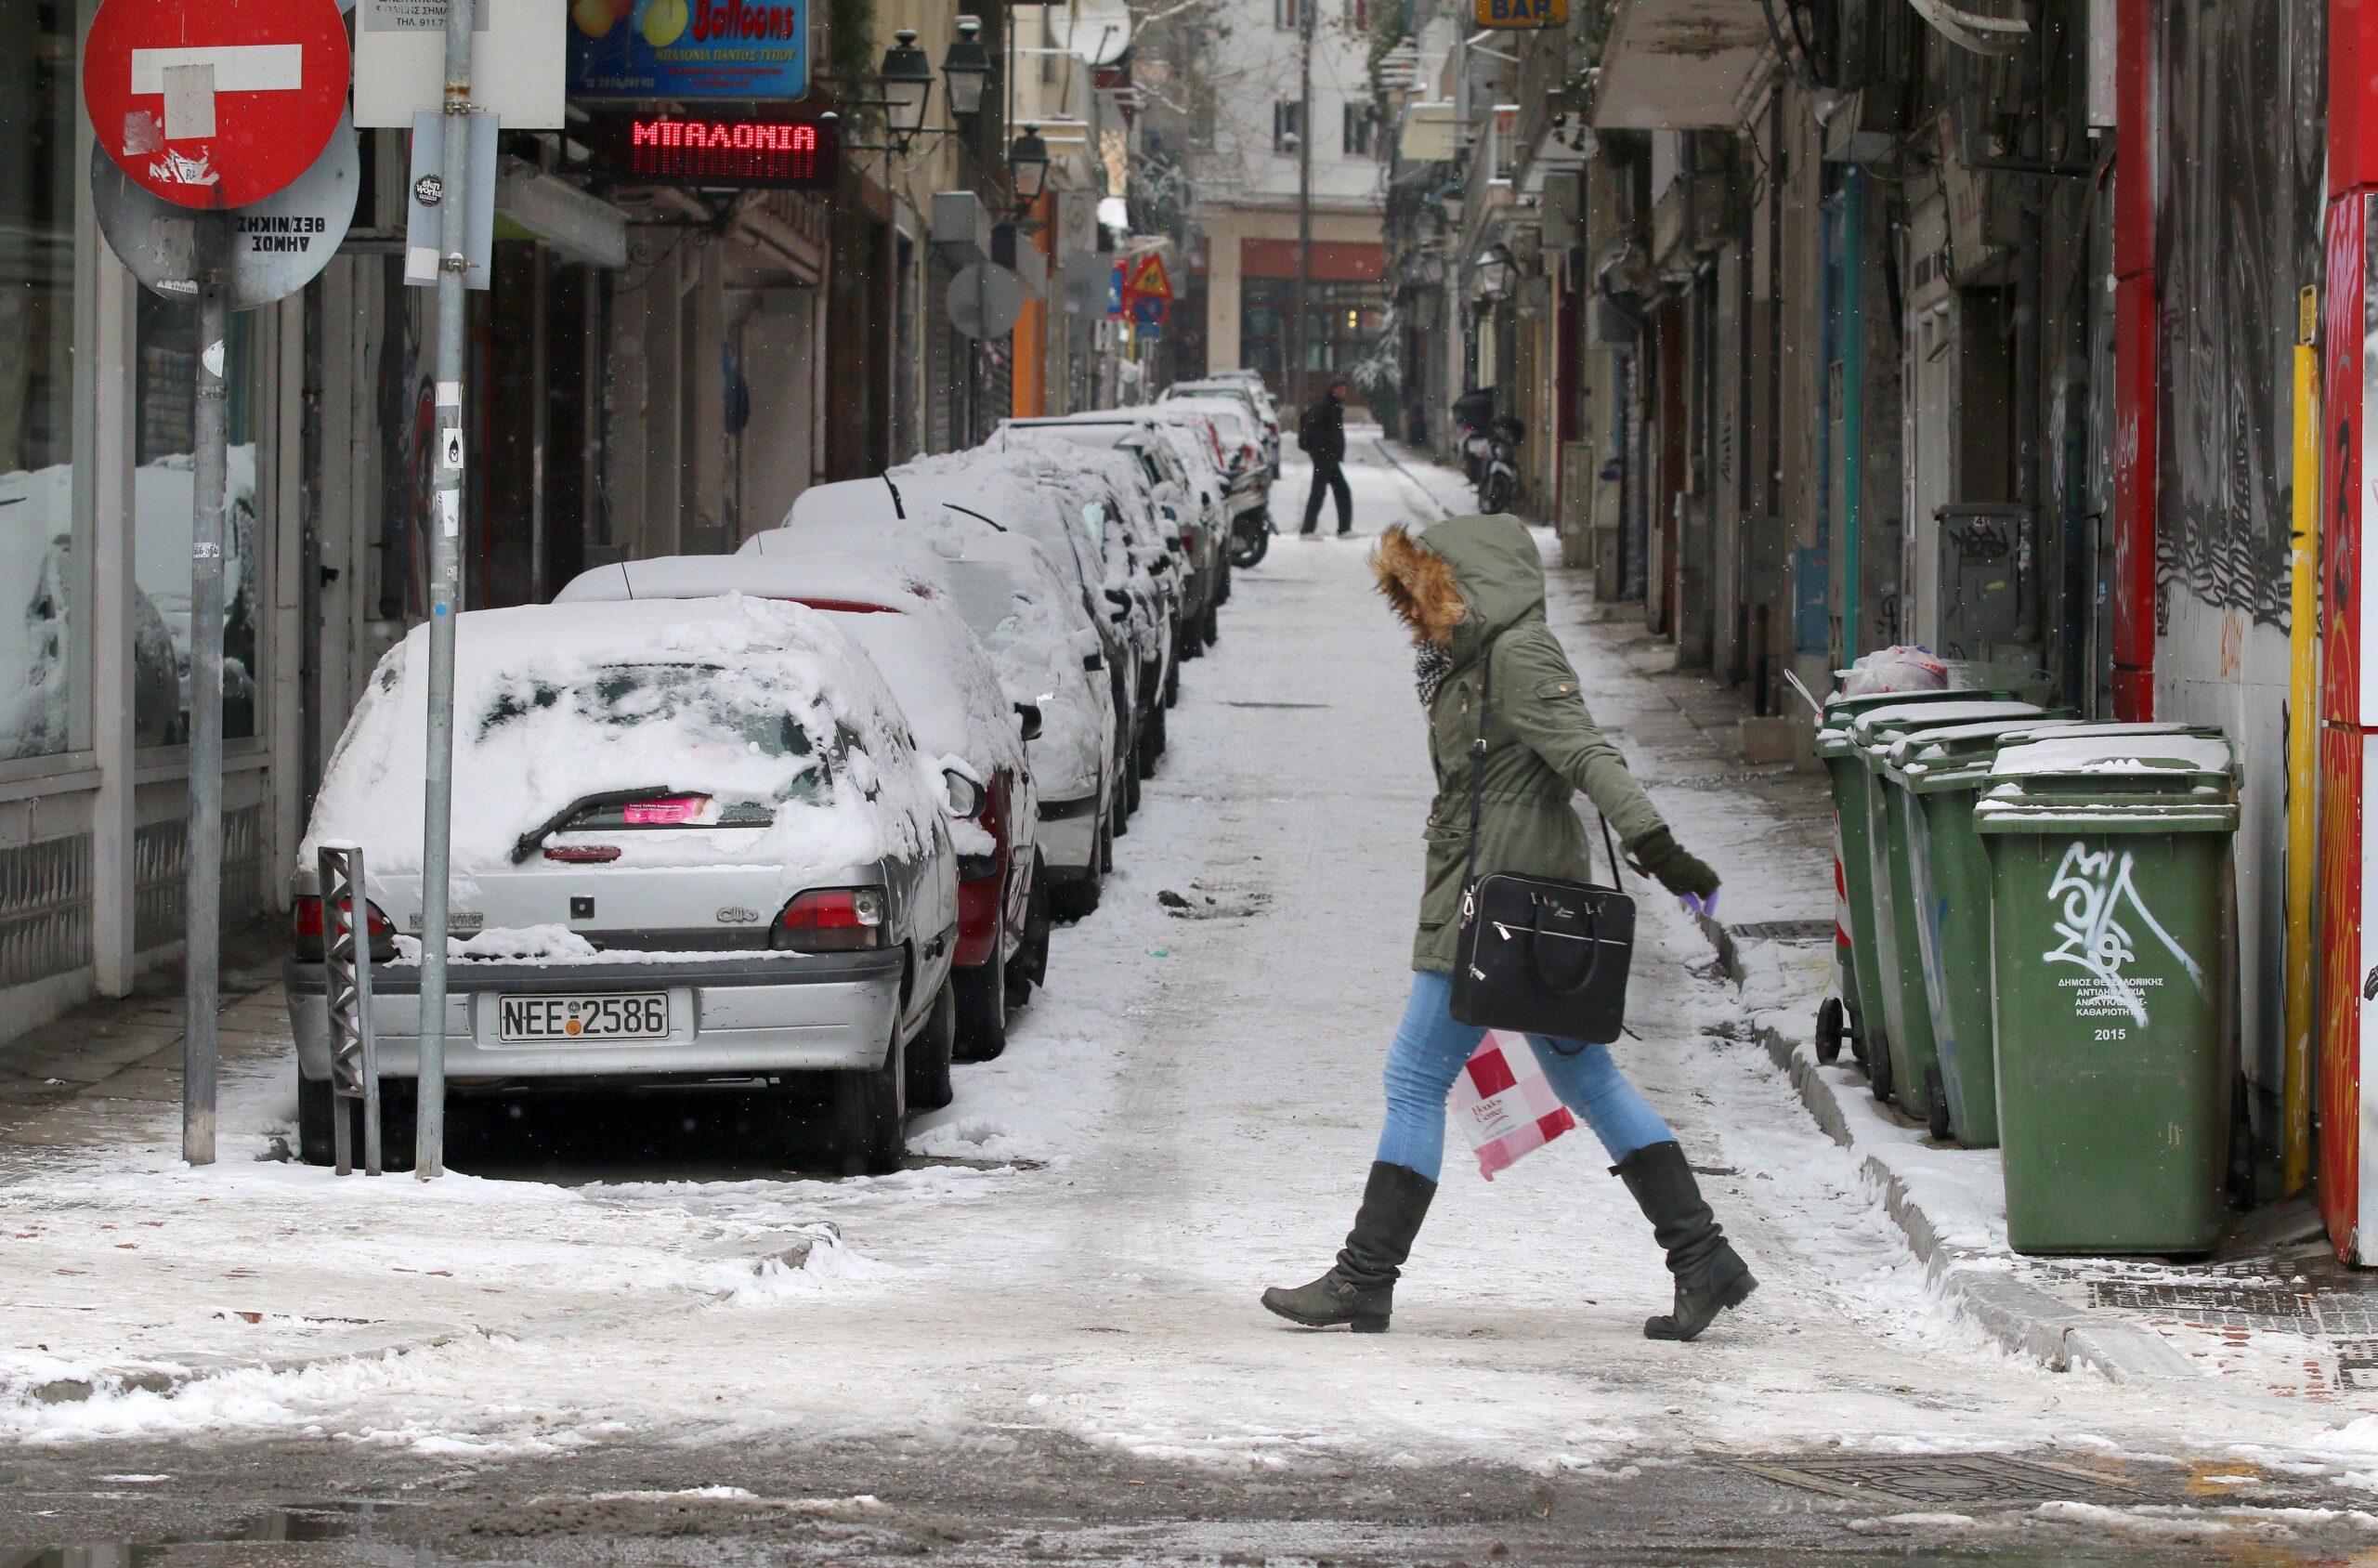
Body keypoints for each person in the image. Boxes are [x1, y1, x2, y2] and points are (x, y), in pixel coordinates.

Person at [1261, 515, 1750, 1341]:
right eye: (1411, 596)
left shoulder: (1518, 655)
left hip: (1501, 904)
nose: (1417, 611)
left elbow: (1589, 755)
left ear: (1468, 584)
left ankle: (1364, 1279)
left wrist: (1660, 849)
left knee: (1414, 1077)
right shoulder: (1467, 661)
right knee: (1587, 1078)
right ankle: (1704, 1260)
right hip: (1490, 891)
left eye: (1429, 591)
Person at [1298, 377, 1354, 537]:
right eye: (1340, 389)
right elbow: (1312, 429)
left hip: (1329, 457)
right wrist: (1323, 447)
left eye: (1345, 389)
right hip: (1324, 456)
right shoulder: (1324, 407)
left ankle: (1344, 528)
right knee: (1320, 491)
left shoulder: (1333, 407)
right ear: (1333, 390)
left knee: (1340, 490)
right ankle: (1308, 529)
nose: (1343, 393)